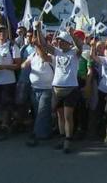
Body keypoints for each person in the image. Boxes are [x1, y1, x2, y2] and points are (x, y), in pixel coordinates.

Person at [38, 24, 82, 154]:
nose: (59, 42)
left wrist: (72, 34)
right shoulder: (56, 52)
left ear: (68, 42)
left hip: (70, 89)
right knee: (60, 115)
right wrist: (38, 29)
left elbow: (80, 46)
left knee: (68, 116)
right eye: (58, 40)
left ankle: (68, 140)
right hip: (57, 88)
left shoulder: (74, 53)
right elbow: (44, 45)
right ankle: (62, 138)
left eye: (62, 41)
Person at [0, 25, 21, 141]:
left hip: (8, 81)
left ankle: (4, 126)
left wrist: (4, 66)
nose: (2, 34)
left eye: (4, 32)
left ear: (7, 33)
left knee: (6, 104)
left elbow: (17, 65)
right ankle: (0, 122)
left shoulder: (12, 46)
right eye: (0, 32)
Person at [23, 32, 55, 147]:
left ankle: (36, 135)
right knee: (39, 113)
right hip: (34, 88)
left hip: (47, 89)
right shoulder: (32, 55)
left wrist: (38, 45)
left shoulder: (52, 54)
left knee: (42, 112)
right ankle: (45, 133)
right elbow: (24, 65)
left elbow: (44, 57)